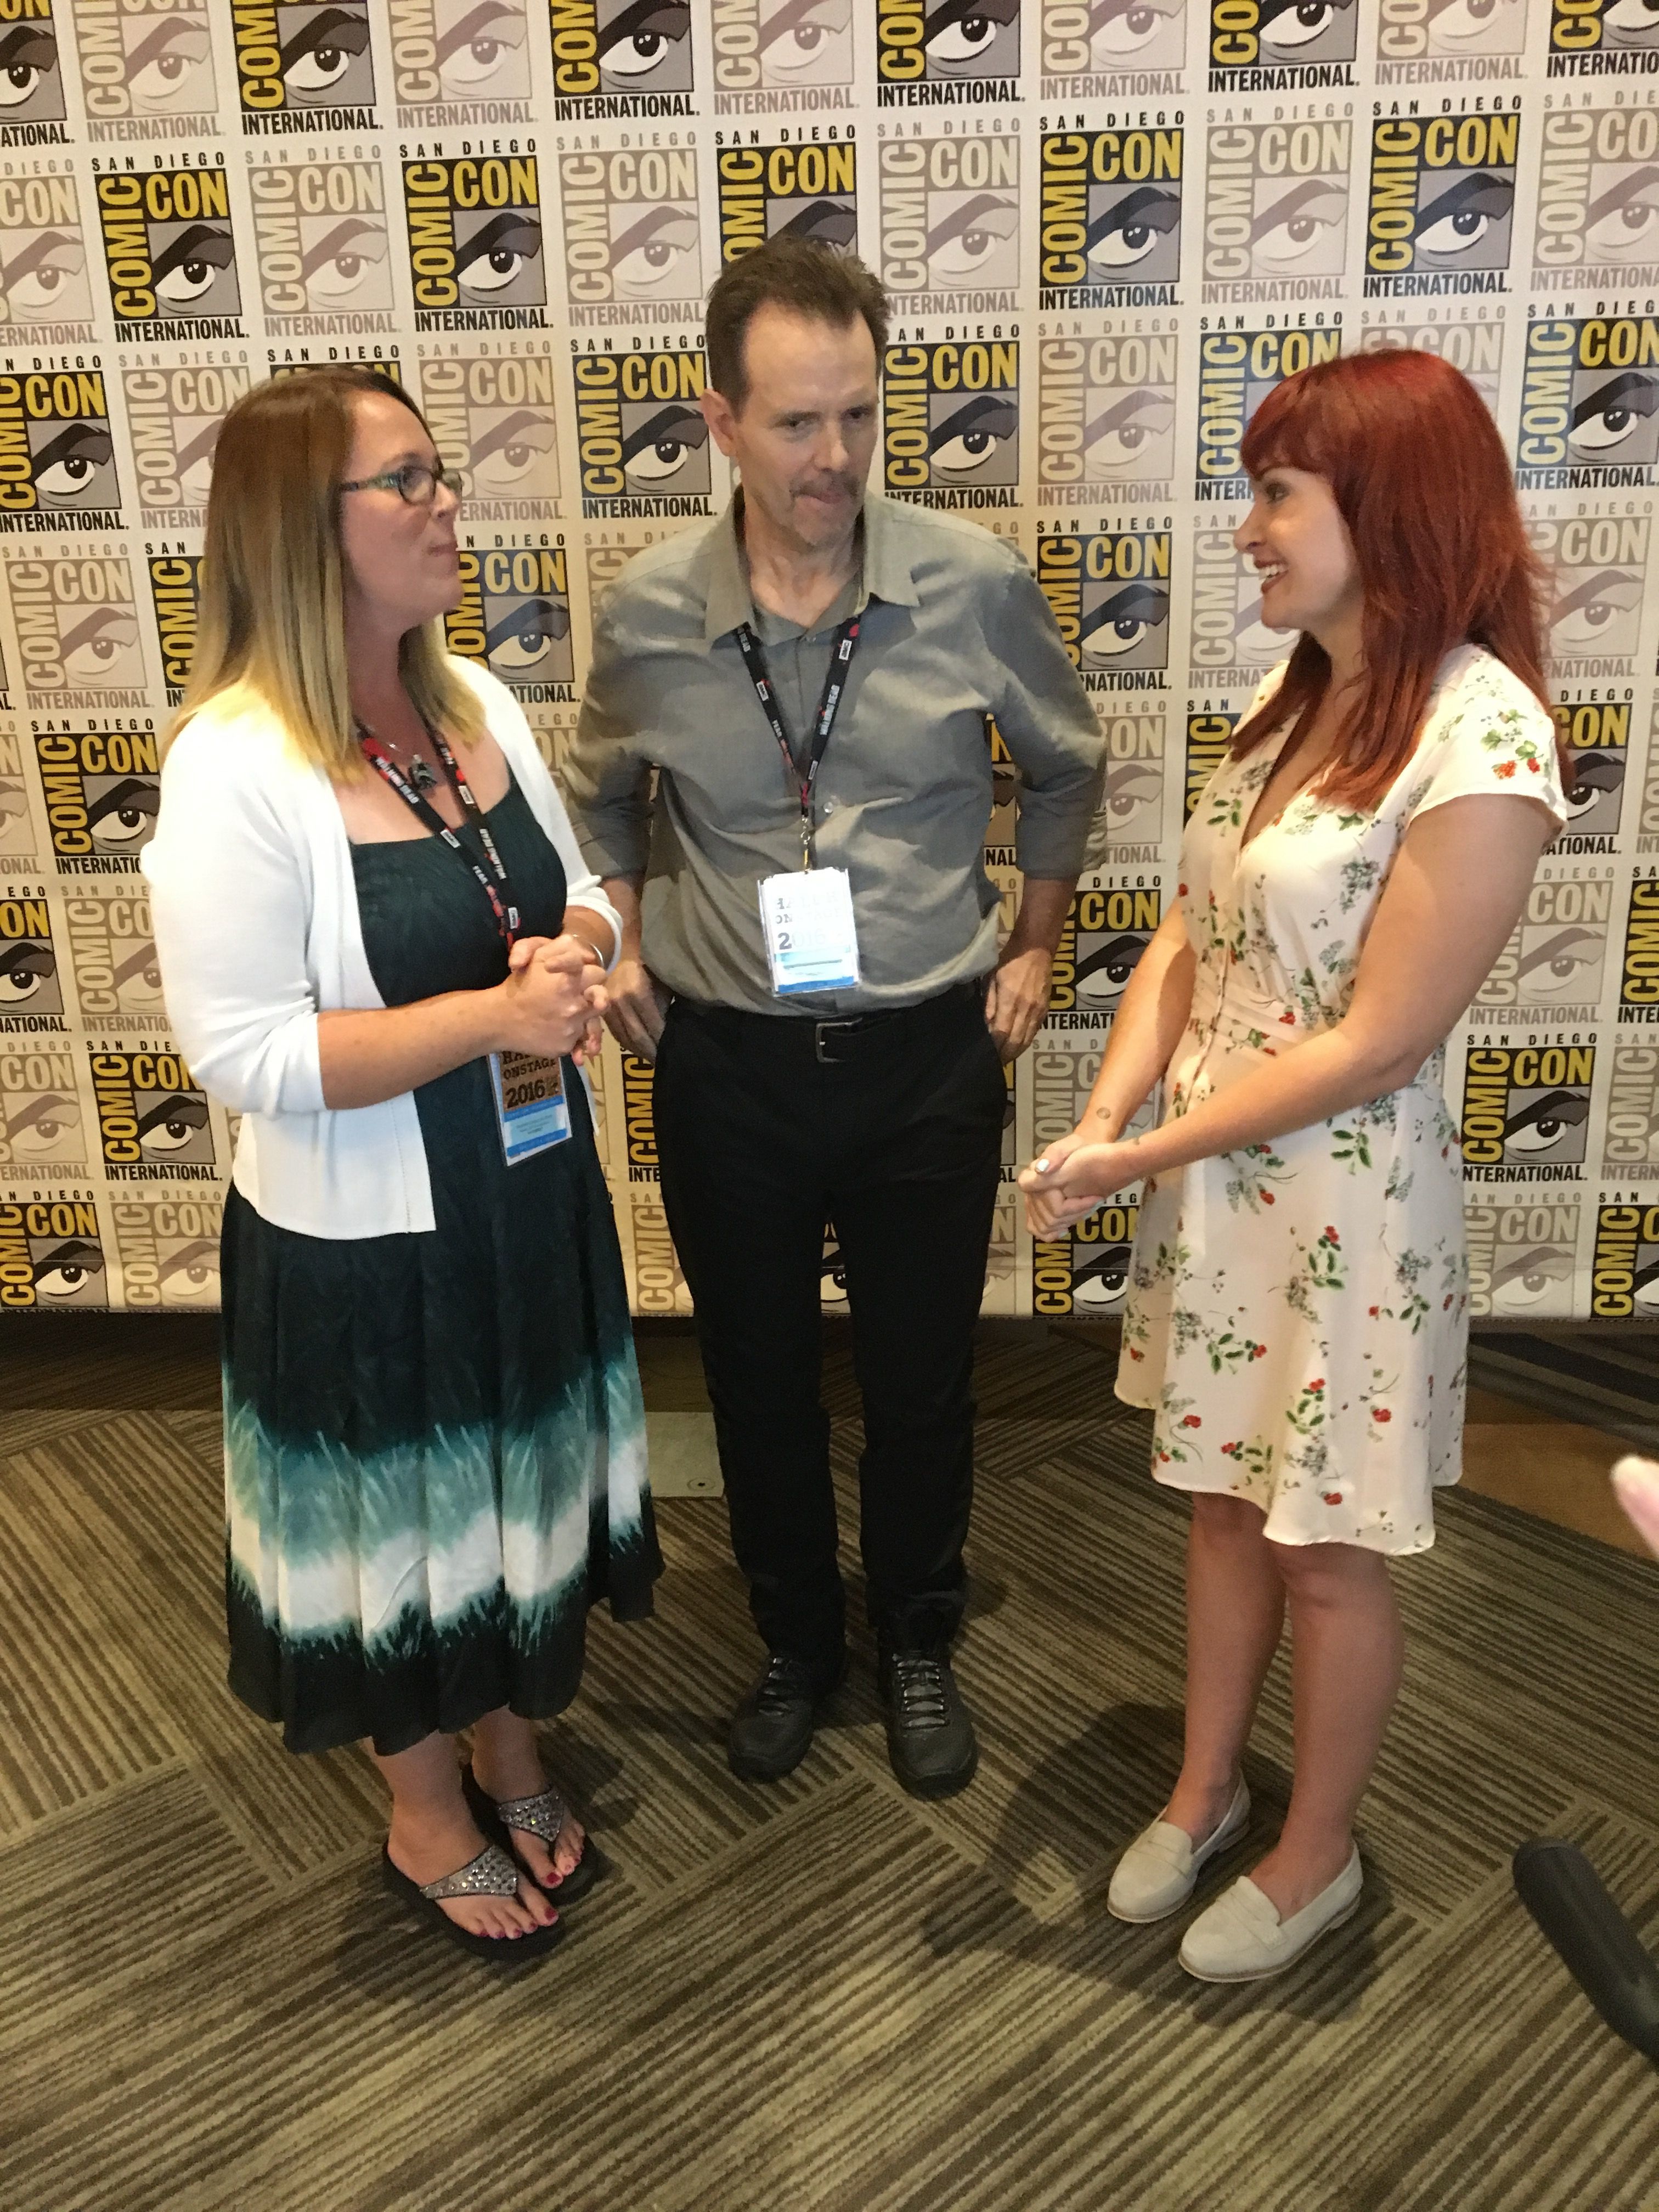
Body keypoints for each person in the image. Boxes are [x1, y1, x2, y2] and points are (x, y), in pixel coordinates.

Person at [1021, 349, 1568, 1980]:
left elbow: (1381, 1042)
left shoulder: (1483, 729)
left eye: (1277, 492)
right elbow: (1192, 933)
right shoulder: (1298, 701)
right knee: (1216, 1507)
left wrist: (1144, 1150)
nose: (1248, 527)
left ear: (1386, 507)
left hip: (1344, 1210)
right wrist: (1112, 1122)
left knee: (1321, 1548)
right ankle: (1205, 1792)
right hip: (1219, 1193)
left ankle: (1315, 1849)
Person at [567, 240, 1103, 1796]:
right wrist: (622, 935)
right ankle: (797, 1640)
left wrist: (1035, 947)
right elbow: (600, 794)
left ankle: (917, 1634)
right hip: (727, 1064)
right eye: (797, 423)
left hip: (924, 1058)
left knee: (924, 1380)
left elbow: (1065, 765)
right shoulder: (651, 613)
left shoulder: (972, 583)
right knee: (756, 1379)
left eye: (859, 416)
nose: (835, 458)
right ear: (721, 423)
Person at [144, 368, 659, 1961]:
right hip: (364, 1238)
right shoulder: (234, 765)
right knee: (402, 1529)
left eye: (441, 473)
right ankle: (425, 1804)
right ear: (304, 530)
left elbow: (586, 892)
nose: (447, 504)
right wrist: (492, 1015)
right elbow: (245, 1055)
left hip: (525, 1189)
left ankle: (511, 1741)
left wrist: (580, 956)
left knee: (512, 1488)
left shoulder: (474, 704)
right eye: (408, 481)